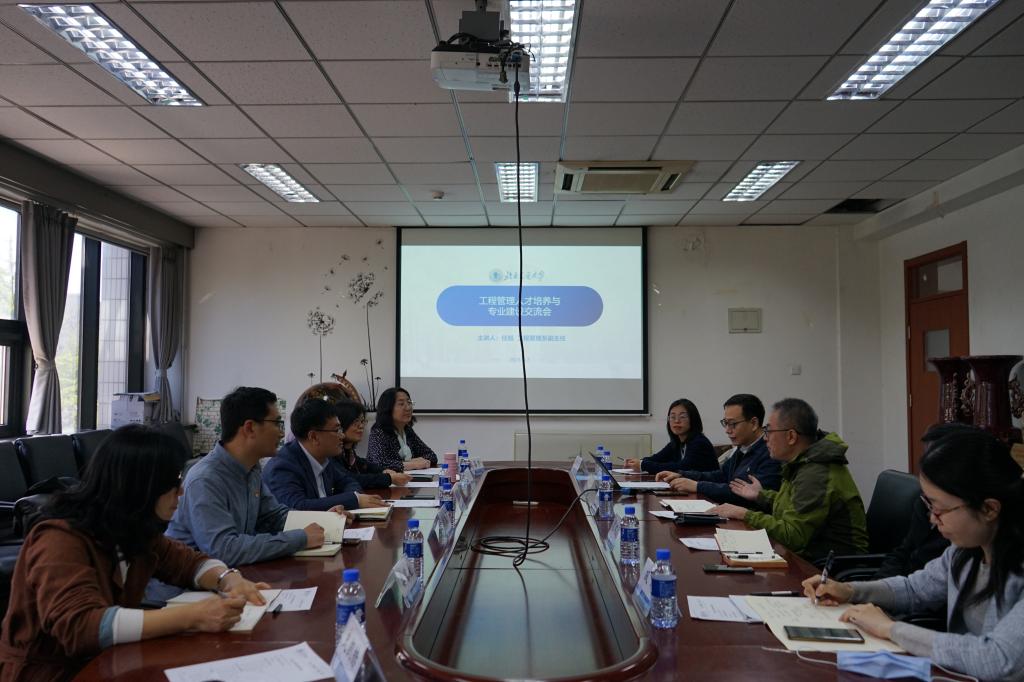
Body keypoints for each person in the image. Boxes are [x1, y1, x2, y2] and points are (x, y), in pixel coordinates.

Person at [0, 425, 268, 681]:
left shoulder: (133, 527)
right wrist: (193, 616)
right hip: (54, 673)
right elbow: (80, 626)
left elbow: (188, 563)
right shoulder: (60, 539)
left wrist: (228, 579)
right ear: (143, 485)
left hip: (111, 662)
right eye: (175, 482)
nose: (181, 491)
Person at [803, 426, 1024, 682]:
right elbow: (914, 590)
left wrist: (890, 629)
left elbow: (999, 660)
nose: (932, 518)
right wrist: (849, 591)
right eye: (929, 505)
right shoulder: (964, 552)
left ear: (989, 509)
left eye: (940, 510)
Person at [165, 387, 328, 567]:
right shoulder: (205, 480)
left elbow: (274, 517)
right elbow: (224, 550)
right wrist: (300, 539)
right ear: (250, 428)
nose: (282, 433)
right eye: (276, 423)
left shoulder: (251, 469)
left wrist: (327, 520)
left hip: (232, 575)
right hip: (191, 582)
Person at [712, 398, 868, 562]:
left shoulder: (816, 473)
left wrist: (745, 514)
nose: (765, 438)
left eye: (769, 431)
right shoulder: (802, 463)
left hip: (831, 565)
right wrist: (761, 496)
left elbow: (793, 536)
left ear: (791, 436)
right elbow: (793, 506)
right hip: (810, 555)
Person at [655, 394, 781, 506]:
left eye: (732, 424)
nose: (727, 430)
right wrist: (683, 474)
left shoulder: (771, 453)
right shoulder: (742, 448)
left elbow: (742, 493)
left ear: (754, 423)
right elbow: (720, 475)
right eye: (725, 423)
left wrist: (698, 486)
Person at [263, 398, 387, 510]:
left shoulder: (324, 457)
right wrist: (354, 500)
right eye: (336, 430)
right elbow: (298, 507)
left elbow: (349, 482)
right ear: (314, 437)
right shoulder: (283, 466)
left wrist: (351, 499)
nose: (342, 435)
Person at [872, 424, 955, 580]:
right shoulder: (922, 502)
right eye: (925, 456)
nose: (933, 517)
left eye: (934, 460)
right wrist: (876, 584)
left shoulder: (961, 535)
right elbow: (903, 551)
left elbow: (929, 587)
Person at [624, 399, 718, 475]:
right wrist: (636, 462)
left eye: (682, 417)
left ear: (693, 419)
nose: (676, 421)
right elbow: (657, 458)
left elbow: (682, 468)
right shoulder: (676, 442)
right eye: (672, 417)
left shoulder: (699, 443)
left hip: (706, 491)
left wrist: (643, 465)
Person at [333, 399, 412, 489]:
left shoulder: (348, 452)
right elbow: (351, 478)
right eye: (356, 422)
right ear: (341, 424)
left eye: (362, 421)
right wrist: (389, 478)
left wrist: (383, 471)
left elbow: (364, 464)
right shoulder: (332, 453)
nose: (361, 426)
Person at [366, 387, 437, 472]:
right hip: (386, 479)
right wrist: (412, 464)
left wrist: (410, 462)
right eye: (401, 404)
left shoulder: (407, 430)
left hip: (408, 477)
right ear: (388, 408)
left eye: (409, 403)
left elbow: (431, 456)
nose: (408, 408)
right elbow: (379, 464)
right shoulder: (378, 432)